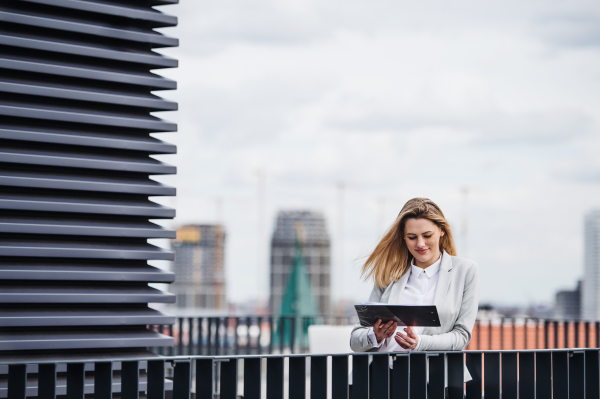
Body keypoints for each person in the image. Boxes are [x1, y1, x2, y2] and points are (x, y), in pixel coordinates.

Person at [350, 197, 479, 387]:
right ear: (403, 235)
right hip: (380, 378)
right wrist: (375, 335)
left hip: (434, 380)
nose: (420, 243)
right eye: (412, 237)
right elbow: (355, 339)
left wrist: (420, 343)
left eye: (427, 235)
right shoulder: (389, 273)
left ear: (442, 230)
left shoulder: (465, 271)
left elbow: (461, 336)